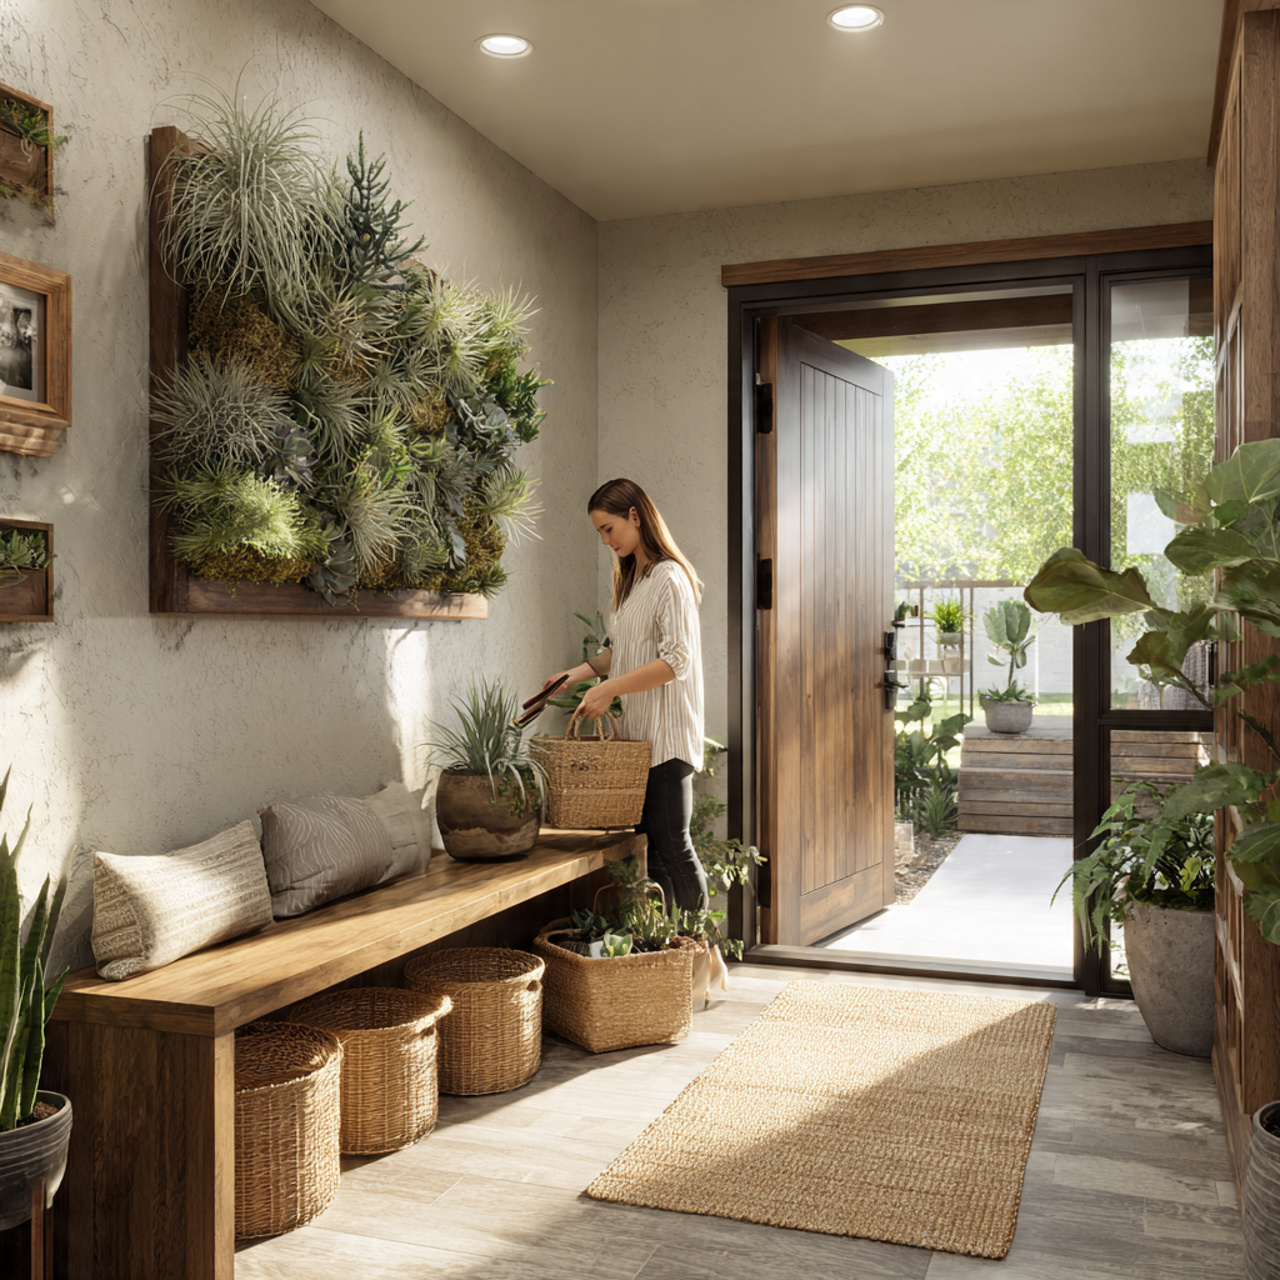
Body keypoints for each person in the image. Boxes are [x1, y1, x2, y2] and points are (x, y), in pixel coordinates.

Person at [543, 477, 708, 913]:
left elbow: (676, 661)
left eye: (608, 528)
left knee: (675, 850)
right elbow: (622, 653)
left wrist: (608, 689)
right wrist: (573, 676)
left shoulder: (670, 578)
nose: (605, 541)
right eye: (599, 532)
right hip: (641, 742)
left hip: (668, 738)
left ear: (635, 516)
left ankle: (701, 947)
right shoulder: (635, 581)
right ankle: (669, 946)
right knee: (654, 855)